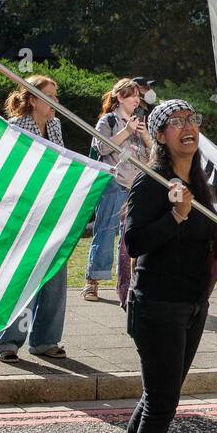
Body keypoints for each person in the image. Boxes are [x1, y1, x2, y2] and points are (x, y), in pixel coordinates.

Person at [94, 99, 217, 433]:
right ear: (161, 136)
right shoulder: (151, 182)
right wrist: (175, 216)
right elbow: (134, 241)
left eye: (192, 120)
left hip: (192, 305)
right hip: (157, 307)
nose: (188, 127)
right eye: (176, 122)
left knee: (157, 399)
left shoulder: (200, 181)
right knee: (162, 404)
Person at [0, 75, 69, 361]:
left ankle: (46, 340)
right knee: (19, 278)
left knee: (54, 275)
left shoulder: (55, 126)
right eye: (50, 96)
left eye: (56, 96)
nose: (56, 102)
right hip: (23, 214)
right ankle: (7, 342)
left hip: (53, 211)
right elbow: (6, 171)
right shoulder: (14, 128)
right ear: (33, 99)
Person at [84, 79, 150, 301]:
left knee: (129, 238)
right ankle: (92, 282)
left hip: (135, 186)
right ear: (120, 97)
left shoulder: (139, 123)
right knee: (104, 232)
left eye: (138, 96)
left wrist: (145, 137)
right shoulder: (108, 120)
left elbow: (151, 157)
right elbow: (101, 146)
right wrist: (126, 131)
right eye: (132, 95)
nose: (137, 100)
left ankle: (126, 285)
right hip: (113, 184)